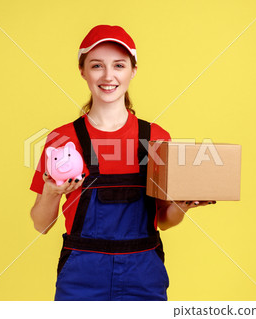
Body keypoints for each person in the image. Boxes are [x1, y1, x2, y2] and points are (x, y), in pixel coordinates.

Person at [29, 24, 216, 301]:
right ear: (82, 71)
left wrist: (180, 206)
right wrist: (51, 193)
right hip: (82, 276)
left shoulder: (155, 138)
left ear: (133, 70)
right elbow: (41, 225)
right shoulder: (63, 139)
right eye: (96, 66)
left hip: (143, 275)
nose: (108, 76)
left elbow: (164, 221)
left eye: (118, 65)